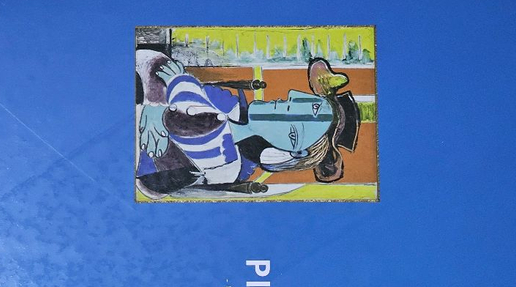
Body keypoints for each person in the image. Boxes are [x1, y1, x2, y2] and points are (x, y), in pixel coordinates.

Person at [136, 51, 362, 198]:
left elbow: (185, 118)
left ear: (287, 153)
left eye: (294, 129)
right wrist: (159, 101)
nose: (284, 102)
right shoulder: (231, 105)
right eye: (294, 102)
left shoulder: (227, 163)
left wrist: (160, 101)